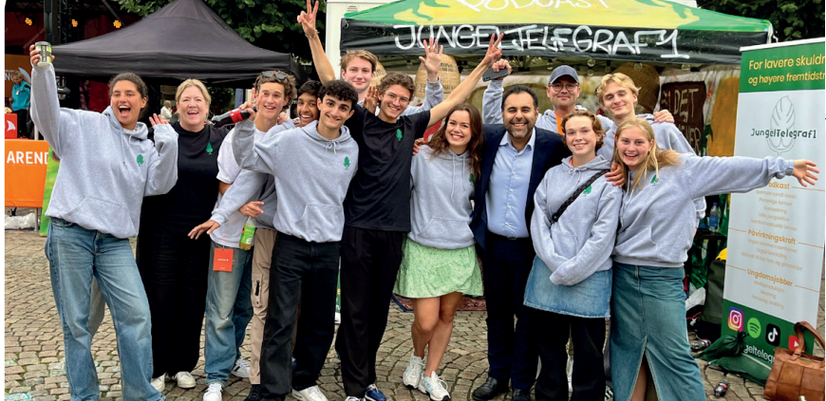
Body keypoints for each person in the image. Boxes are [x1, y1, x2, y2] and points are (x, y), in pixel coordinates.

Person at [298, 3, 503, 401]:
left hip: (394, 232)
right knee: (356, 310)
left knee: (377, 311)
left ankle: (362, 369)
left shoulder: (412, 126)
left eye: (402, 97)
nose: (395, 102)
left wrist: (482, 66)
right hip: (358, 227)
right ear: (380, 94)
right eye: (390, 96)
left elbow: (457, 98)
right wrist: (312, 35)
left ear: (409, 100)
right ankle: (358, 386)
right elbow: (327, 78)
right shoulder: (360, 121)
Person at [609, 118, 818, 401]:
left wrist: (783, 166)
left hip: (660, 278)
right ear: (616, 143)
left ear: (652, 145)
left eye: (638, 142)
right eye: (625, 142)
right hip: (622, 277)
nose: (631, 148)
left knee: (675, 355)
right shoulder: (619, 175)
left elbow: (729, 167)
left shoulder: (680, 169)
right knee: (628, 350)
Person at [29, 45, 176, 401]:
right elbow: (45, 115)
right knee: (76, 325)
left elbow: (159, 184)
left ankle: (140, 394)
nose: (121, 99)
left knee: (137, 316)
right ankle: (85, 396)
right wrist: (43, 72)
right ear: (110, 100)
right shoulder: (82, 123)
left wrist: (168, 143)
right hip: (70, 234)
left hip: (114, 243)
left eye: (130, 94)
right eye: (116, 93)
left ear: (143, 102)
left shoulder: (146, 145)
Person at [232, 79, 361, 401]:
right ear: (320, 103)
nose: (334, 112)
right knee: (281, 318)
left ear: (349, 113)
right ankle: (272, 390)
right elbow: (249, 159)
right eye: (329, 103)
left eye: (343, 108)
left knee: (319, 321)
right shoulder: (289, 141)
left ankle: (305, 380)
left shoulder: (352, 149)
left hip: (330, 246)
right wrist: (247, 126)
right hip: (291, 242)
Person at [189, 72, 298, 401]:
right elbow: (223, 182)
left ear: (285, 101)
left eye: (277, 95)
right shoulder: (240, 132)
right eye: (265, 93)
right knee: (220, 309)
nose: (270, 99)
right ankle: (216, 376)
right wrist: (242, 203)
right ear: (255, 95)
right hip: (229, 236)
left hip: (263, 236)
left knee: (245, 308)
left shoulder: (285, 134)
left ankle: (232, 355)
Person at [469, 85, 570, 401]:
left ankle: (522, 384)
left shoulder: (553, 145)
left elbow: (585, 160)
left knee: (528, 319)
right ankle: (497, 376)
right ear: (503, 114)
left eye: (525, 110)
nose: (518, 116)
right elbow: (452, 139)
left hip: (532, 249)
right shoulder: (487, 139)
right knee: (497, 315)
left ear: (536, 113)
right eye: (512, 110)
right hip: (495, 245)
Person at [136, 79, 229, 392]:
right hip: (160, 230)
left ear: (207, 104)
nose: (192, 105)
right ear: (177, 105)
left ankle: (182, 365)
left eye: (198, 99)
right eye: (186, 99)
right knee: (159, 300)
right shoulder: (161, 133)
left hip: (201, 233)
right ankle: (157, 367)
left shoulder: (219, 136)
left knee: (192, 300)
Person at [525, 110, 621, 401]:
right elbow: (538, 220)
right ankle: (548, 395)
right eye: (571, 132)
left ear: (598, 136)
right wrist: (555, 261)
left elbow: (604, 235)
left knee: (588, 351)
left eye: (584, 131)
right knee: (549, 345)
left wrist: (573, 269)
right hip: (549, 271)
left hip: (589, 276)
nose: (578, 137)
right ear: (565, 138)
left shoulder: (610, 179)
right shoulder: (553, 174)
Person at [395, 104, 485, 401]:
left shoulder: (477, 163)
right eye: (453, 123)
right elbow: (400, 188)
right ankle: (417, 357)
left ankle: (431, 374)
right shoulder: (422, 157)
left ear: (474, 132)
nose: (458, 130)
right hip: (424, 246)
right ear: (445, 126)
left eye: (465, 125)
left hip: (459, 248)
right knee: (425, 321)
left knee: (447, 316)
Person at [11, 70, 31, 139]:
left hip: (23, 106)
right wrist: (12, 99)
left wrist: (28, 104)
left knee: (22, 121)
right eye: (14, 79)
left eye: (17, 79)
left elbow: (31, 95)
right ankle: (18, 134)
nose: (15, 81)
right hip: (15, 106)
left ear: (21, 78)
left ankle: (24, 134)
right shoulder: (14, 86)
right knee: (16, 122)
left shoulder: (25, 85)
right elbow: (14, 95)